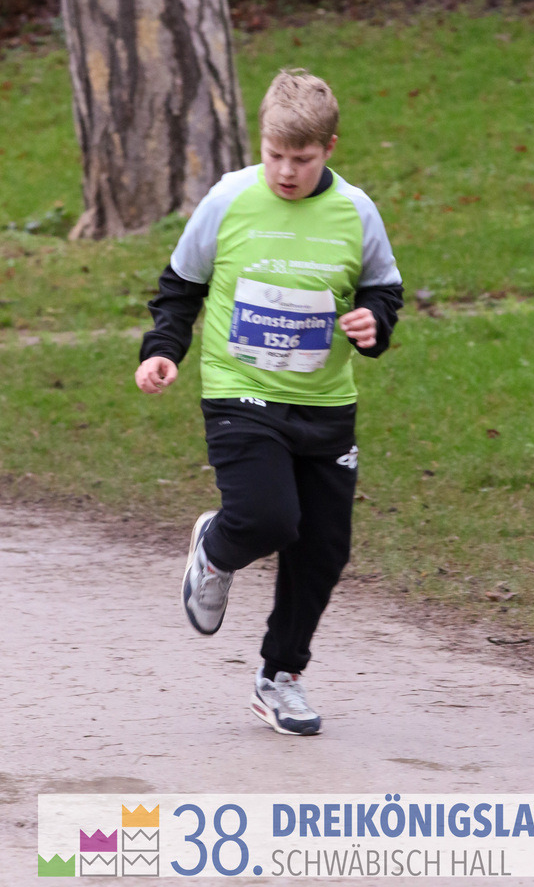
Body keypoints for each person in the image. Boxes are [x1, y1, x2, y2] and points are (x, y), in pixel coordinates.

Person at [135, 69, 403, 736]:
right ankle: (218, 548)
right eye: (275, 154)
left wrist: (372, 322)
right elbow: (180, 285)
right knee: (265, 518)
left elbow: (382, 290)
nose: (285, 171)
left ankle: (279, 678)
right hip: (239, 390)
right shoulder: (229, 198)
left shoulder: (356, 211)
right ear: (261, 143)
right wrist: (163, 348)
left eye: (302, 158)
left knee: (324, 549)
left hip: (325, 403)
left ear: (329, 148)